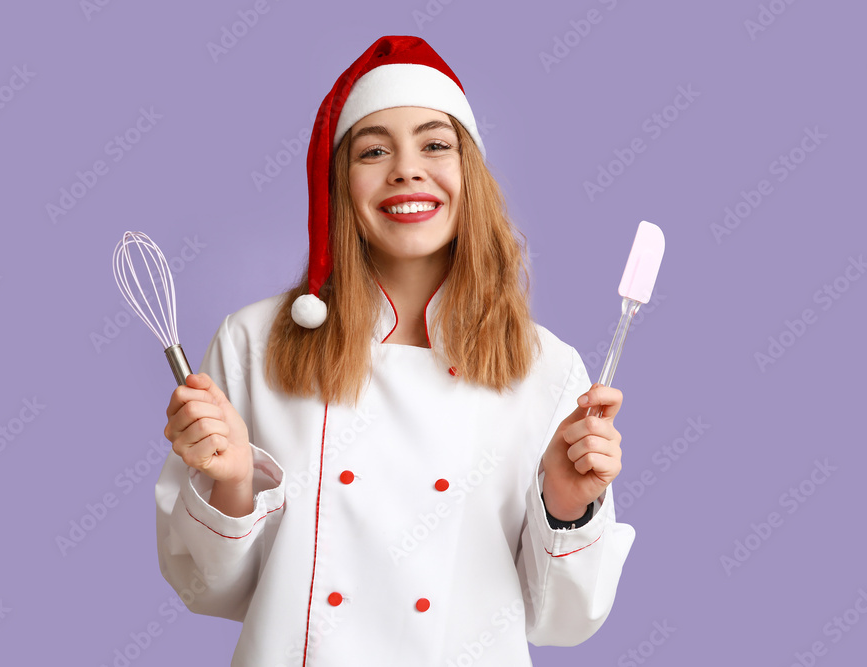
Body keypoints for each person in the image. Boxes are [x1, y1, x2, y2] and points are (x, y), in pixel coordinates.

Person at [155, 35, 635, 666]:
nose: (406, 168)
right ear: (338, 187)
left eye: (436, 144)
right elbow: (206, 589)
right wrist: (234, 485)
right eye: (373, 150)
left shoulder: (546, 368)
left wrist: (567, 508)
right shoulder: (253, 343)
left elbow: (564, 624)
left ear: (471, 175)